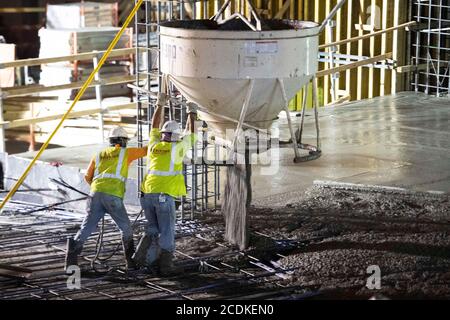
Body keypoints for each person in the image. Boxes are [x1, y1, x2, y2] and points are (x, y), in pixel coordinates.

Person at [64, 126, 147, 270]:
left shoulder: (99, 155)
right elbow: (146, 150)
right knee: (126, 228)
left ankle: (70, 261)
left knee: (86, 228)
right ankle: (130, 262)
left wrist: (98, 189)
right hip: (113, 195)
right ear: (123, 141)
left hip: (95, 194)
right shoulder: (125, 153)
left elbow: (87, 177)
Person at [134, 92, 198, 276]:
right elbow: (192, 134)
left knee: (153, 228)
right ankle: (166, 267)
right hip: (164, 197)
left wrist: (160, 104)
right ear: (176, 136)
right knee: (167, 232)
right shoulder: (178, 148)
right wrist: (192, 113)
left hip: (146, 195)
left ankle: (139, 258)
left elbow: (154, 126)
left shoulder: (154, 145)